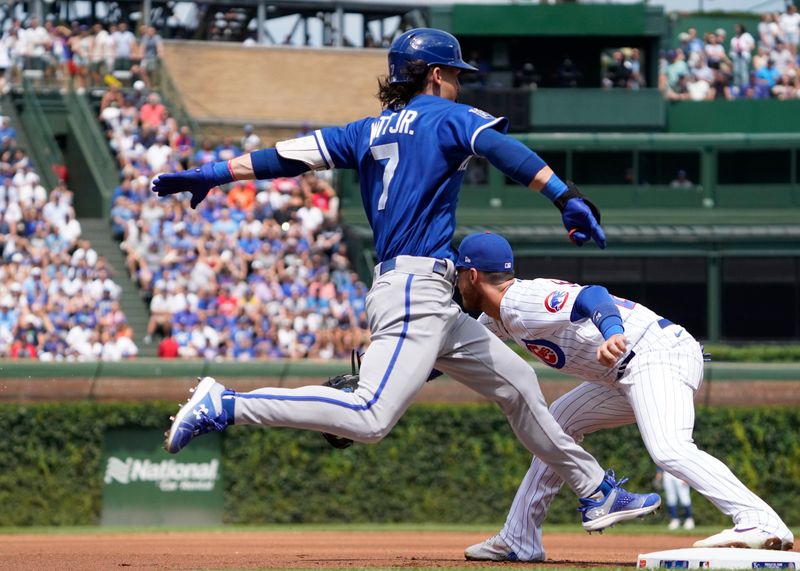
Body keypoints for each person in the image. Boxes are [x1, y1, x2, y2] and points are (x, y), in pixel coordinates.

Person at [151, 28, 659, 533]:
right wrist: (564, 195)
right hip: (414, 290)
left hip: (431, 298)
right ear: (436, 75)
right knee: (371, 416)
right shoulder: (448, 114)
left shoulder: (365, 130)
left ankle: (596, 491)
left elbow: (282, 157)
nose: (460, 85)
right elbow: (503, 150)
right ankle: (228, 406)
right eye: (456, 75)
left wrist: (211, 173)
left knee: (520, 384)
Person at [453, 232, 794, 561]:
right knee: (555, 424)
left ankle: (760, 521)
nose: (455, 282)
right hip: (622, 372)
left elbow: (593, 296)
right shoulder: (497, 318)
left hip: (654, 353)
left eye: (458, 273)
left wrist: (612, 333)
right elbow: (452, 355)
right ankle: (519, 538)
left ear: (472, 275)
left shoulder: (521, 300)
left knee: (669, 448)